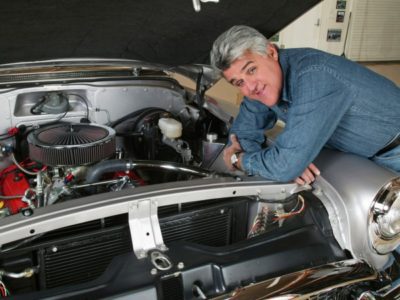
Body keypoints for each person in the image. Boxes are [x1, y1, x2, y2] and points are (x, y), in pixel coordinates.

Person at [210, 25, 400, 185]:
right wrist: (281, 165)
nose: (249, 87)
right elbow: (241, 136)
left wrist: (242, 160)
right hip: (357, 155)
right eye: (239, 82)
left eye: (251, 70)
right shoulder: (259, 88)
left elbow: (282, 166)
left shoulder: (316, 75)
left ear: (271, 52)